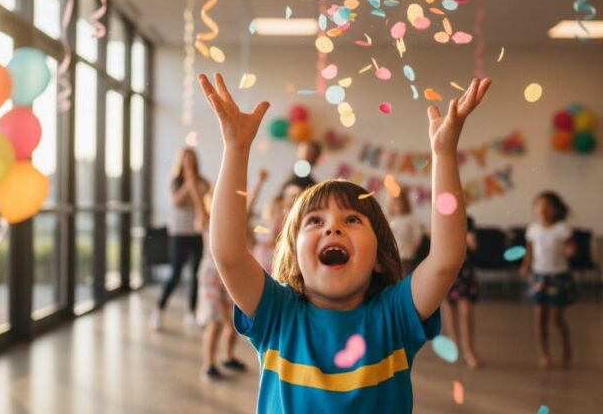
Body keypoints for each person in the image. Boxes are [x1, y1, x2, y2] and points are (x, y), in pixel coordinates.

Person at [198, 73, 491, 412]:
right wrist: (235, 149)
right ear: (293, 259)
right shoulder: (278, 314)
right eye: (315, 221)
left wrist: (443, 155)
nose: (332, 229)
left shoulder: (394, 316)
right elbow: (229, 254)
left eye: (351, 220)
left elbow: (446, 259)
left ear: (380, 258)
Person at [192, 185, 247, 381]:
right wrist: (191, 181)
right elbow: (200, 205)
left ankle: (228, 357)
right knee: (214, 323)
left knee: (232, 322)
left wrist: (258, 184)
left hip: (227, 277)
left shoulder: (230, 222)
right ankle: (208, 365)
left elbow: (245, 207)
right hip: (210, 277)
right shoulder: (206, 221)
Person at [152, 148, 210, 331]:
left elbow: (203, 205)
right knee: (175, 273)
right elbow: (176, 201)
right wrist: (188, 184)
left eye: (191, 160)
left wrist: (194, 185)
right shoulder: (175, 182)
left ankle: (192, 313)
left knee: (195, 274)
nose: (189, 164)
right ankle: (159, 309)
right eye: (186, 161)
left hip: (196, 233)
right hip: (178, 233)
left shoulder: (203, 182)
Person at [520, 191, 577, 369]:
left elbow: (571, 248)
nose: (542, 209)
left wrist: (570, 251)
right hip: (539, 276)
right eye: (539, 206)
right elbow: (529, 252)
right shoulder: (532, 229)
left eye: (547, 206)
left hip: (558, 277)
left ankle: (566, 347)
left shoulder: (562, 229)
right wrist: (525, 265)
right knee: (539, 319)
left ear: (556, 209)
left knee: (556, 319)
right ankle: (544, 354)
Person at [441, 213, 481, 368]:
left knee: (466, 312)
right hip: (447, 270)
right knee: (449, 311)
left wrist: (462, 236)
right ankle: (454, 348)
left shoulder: (468, 220)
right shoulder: (440, 217)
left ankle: (468, 350)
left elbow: (473, 245)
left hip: (464, 272)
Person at [386, 189, 425, 276]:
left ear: (405, 203)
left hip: (408, 256)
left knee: (406, 276)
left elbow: (418, 236)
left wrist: (412, 249)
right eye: (395, 204)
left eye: (400, 203)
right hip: (395, 256)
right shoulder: (391, 219)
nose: (398, 206)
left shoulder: (410, 219)